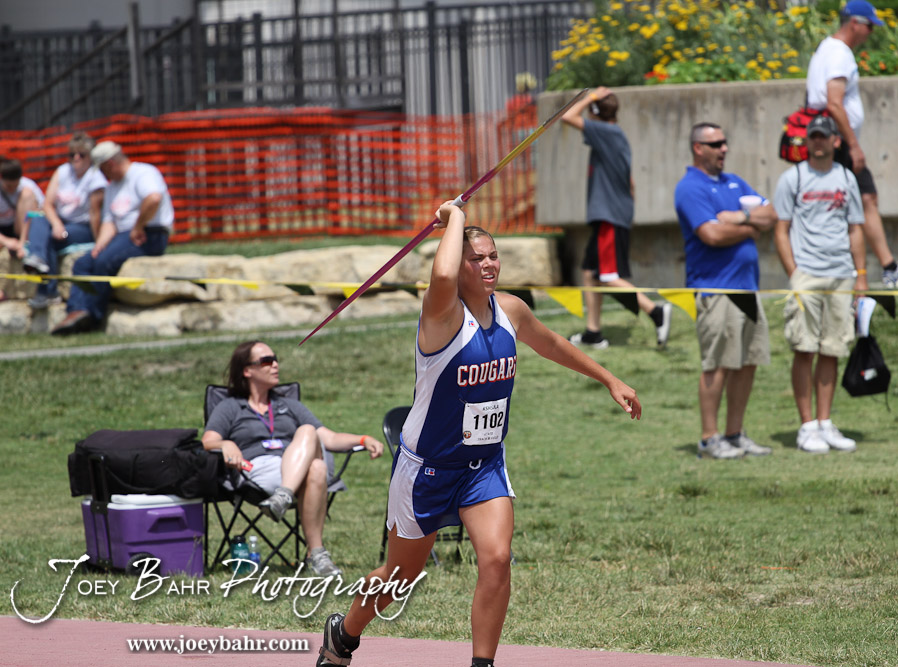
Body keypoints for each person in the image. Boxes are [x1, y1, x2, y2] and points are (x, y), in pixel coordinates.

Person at [317, 200, 641, 667]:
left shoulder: (509, 309)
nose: (488, 265)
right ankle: (344, 633)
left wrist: (610, 379)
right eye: (476, 258)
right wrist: (455, 220)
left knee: (496, 558)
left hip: (482, 465)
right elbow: (444, 279)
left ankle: (482, 664)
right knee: (400, 577)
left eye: (492, 256)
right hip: (427, 468)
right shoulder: (441, 318)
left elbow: (552, 344)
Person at [202, 340, 385, 576]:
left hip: (292, 472)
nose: (275, 364)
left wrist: (362, 439)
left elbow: (328, 438)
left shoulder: (288, 405)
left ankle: (284, 497)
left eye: (276, 359)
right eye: (267, 361)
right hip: (257, 471)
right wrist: (225, 443)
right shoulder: (230, 407)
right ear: (247, 370)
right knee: (316, 465)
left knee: (311, 443)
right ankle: (317, 556)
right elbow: (208, 441)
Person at [805, 0, 898, 289]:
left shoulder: (826, 48)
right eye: (870, 26)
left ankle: (880, 268)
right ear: (854, 23)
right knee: (864, 199)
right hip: (838, 142)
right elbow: (834, 102)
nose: (870, 33)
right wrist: (853, 145)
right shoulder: (840, 54)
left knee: (860, 201)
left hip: (831, 141)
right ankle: (887, 268)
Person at [674, 122, 776, 460]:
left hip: (748, 289)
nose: (724, 149)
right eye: (716, 143)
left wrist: (736, 216)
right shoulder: (690, 187)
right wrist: (749, 227)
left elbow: (771, 215)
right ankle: (709, 438)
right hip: (715, 291)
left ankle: (735, 433)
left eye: (725, 142)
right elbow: (711, 235)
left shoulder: (736, 183)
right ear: (698, 148)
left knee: (747, 362)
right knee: (717, 363)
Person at [773, 116, 866, 454]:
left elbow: (856, 228)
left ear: (835, 141)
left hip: (841, 273)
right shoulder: (792, 178)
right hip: (807, 276)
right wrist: (795, 272)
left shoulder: (847, 178)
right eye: (812, 137)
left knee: (832, 347)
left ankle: (825, 423)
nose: (818, 142)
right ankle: (807, 426)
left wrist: (861, 275)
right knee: (804, 347)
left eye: (823, 137)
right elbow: (780, 229)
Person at [560, 86, 671, 349]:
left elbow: (566, 117)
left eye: (591, 110)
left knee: (608, 276)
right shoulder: (614, 135)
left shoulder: (606, 132)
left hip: (609, 216)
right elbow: (630, 182)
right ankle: (593, 333)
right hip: (611, 214)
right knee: (590, 273)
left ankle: (655, 312)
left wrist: (589, 98)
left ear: (595, 112)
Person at [51, 141, 173, 334]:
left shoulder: (143, 173)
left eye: (103, 170)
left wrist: (139, 226)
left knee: (103, 263)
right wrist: (98, 245)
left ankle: (93, 316)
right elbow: (109, 222)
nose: (103, 175)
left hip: (150, 234)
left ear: (110, 164)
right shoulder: (113, 187)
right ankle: (76, 312)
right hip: (124, 235)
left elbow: (153, 199)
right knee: (83, 263)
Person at [21, 133, 108, 310]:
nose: (76, 158)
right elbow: (47, 204)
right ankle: (37, 258)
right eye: (72, 154)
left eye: (81, 154)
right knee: (37, 217)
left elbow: (94, 214)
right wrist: (57, 224)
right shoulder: (62, 171)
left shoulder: (96, 178)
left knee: (52, 240)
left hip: (84, 227)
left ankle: (47, 291)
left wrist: (99, 242)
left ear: (90, 157)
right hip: (62, 222)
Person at [0, 157, 44, 302]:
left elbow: (38, 213)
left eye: (15, 186)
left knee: (27, 195)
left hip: (21, 227)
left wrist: (21, 242)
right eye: (8, 187)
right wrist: (6, 241)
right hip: (3, 230)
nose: (12, 190)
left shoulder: (27, 186)